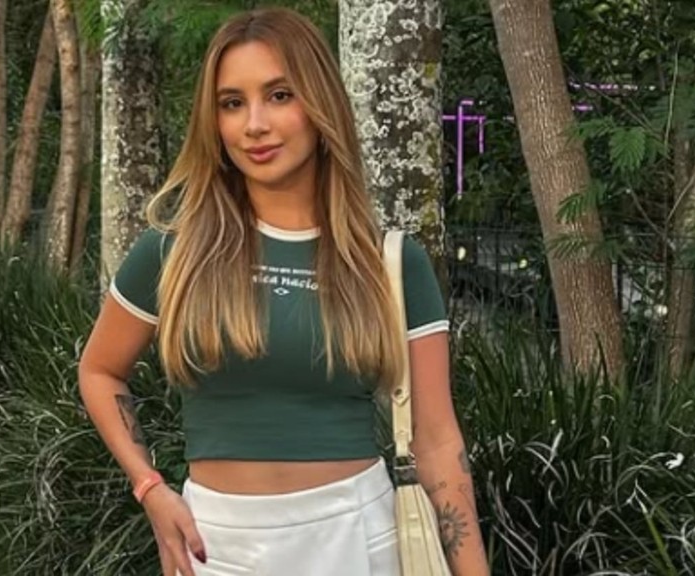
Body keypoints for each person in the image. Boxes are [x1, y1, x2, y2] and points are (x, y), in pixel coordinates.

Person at [78, 7, 490, 576]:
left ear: (320, 104)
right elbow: (100, 370)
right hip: (214, 546)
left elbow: (438, 442)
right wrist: (149, 487)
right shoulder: (174, 251)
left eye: (279, 95)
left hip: (358, 539)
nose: (254, 125)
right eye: (232, 103)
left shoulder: (390, 262)